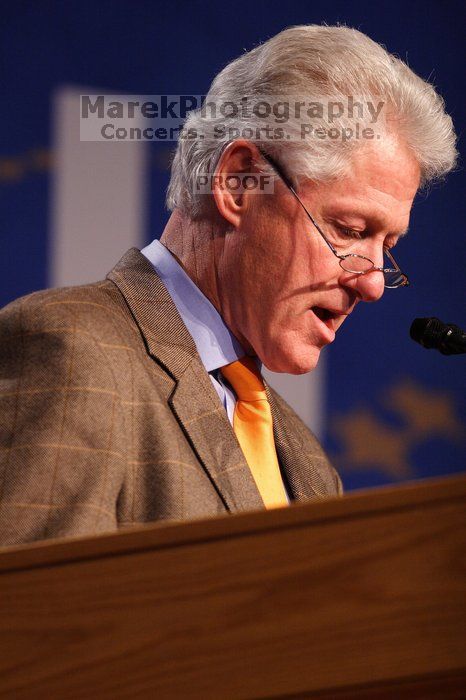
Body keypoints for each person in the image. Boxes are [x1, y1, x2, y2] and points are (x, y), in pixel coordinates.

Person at [0, 25, 456, 546]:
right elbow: (23, 617)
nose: (373, 282)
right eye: (351, 231)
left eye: (388, 244)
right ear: (239, 182)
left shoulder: (305, 460)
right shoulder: (77, 354)